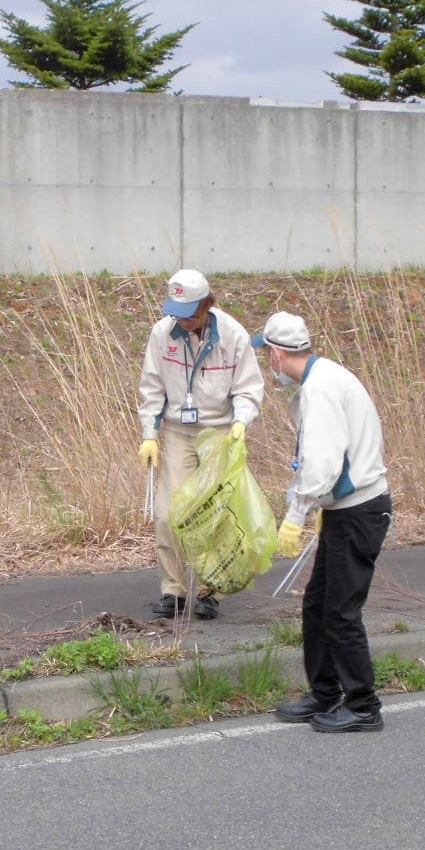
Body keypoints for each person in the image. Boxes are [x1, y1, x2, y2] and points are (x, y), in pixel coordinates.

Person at [252, 312, 392, 732]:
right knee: (317, 606)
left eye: (267, 354)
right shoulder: (323, 378)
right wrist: (322, 507)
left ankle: (365, 706)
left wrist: (297, 514)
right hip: (344, 510)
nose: (267, 363)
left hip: (359, 512)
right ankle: (325, 693)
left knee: (341, 612)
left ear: (276, 354)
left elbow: (321, 463)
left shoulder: (321, 388)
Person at [137, 269, 265, 620]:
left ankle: (211, 591)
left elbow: (249, 389)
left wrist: (241, 422)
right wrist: (150, 433)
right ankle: (173, 591)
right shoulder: (162, 334)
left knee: (215, 515)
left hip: (219, 431)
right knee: (168, 513)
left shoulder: (233, 336)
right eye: (176, 311)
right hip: (178, 431)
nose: (183, 319)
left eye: (190, 312)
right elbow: (151, 387)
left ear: (208, 305)